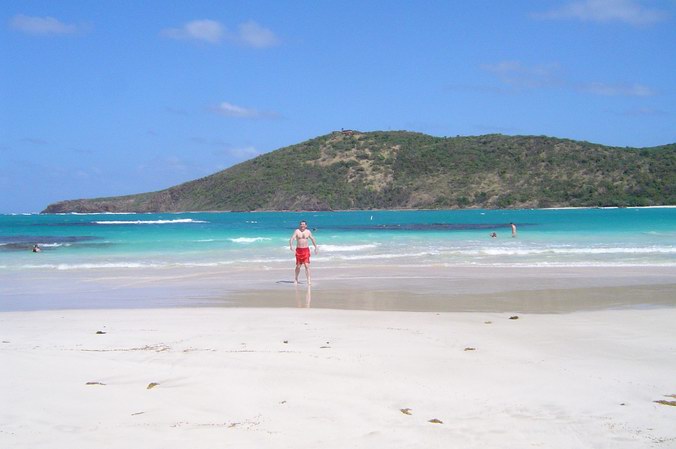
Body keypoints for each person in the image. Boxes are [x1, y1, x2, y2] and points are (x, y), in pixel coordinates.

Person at [289, 220, 318, 285]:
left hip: (306, 250)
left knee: (306, 265)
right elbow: (292, 238)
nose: (302, 225)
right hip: (299, 250)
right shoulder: (297, 231)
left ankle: (309, 280)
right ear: (300, 225)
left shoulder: (308, 232)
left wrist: (316, 247)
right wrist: (291, 245)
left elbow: (312, 239)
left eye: (303, 224)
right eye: (301, 224)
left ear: (306, 225)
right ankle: (296, 279)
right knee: (298, 266)